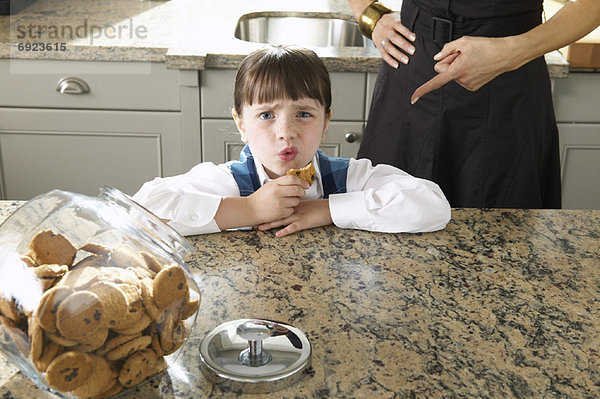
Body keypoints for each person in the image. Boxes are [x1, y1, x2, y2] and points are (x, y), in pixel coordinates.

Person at [133, 46, 451, 237]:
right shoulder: (228, 181)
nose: (285, 132)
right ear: (241, 124)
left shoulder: (346, 177)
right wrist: (247, 209)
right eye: (267, 115)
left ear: (326, 122)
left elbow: (433, 205)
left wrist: (325, 210)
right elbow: (140, 212)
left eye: (303, 114)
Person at [348, 0, 600, 208]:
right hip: (411, 65)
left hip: (508, 81)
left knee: (504, 244)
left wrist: (511, 51)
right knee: (386, 222)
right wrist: (370, 14)